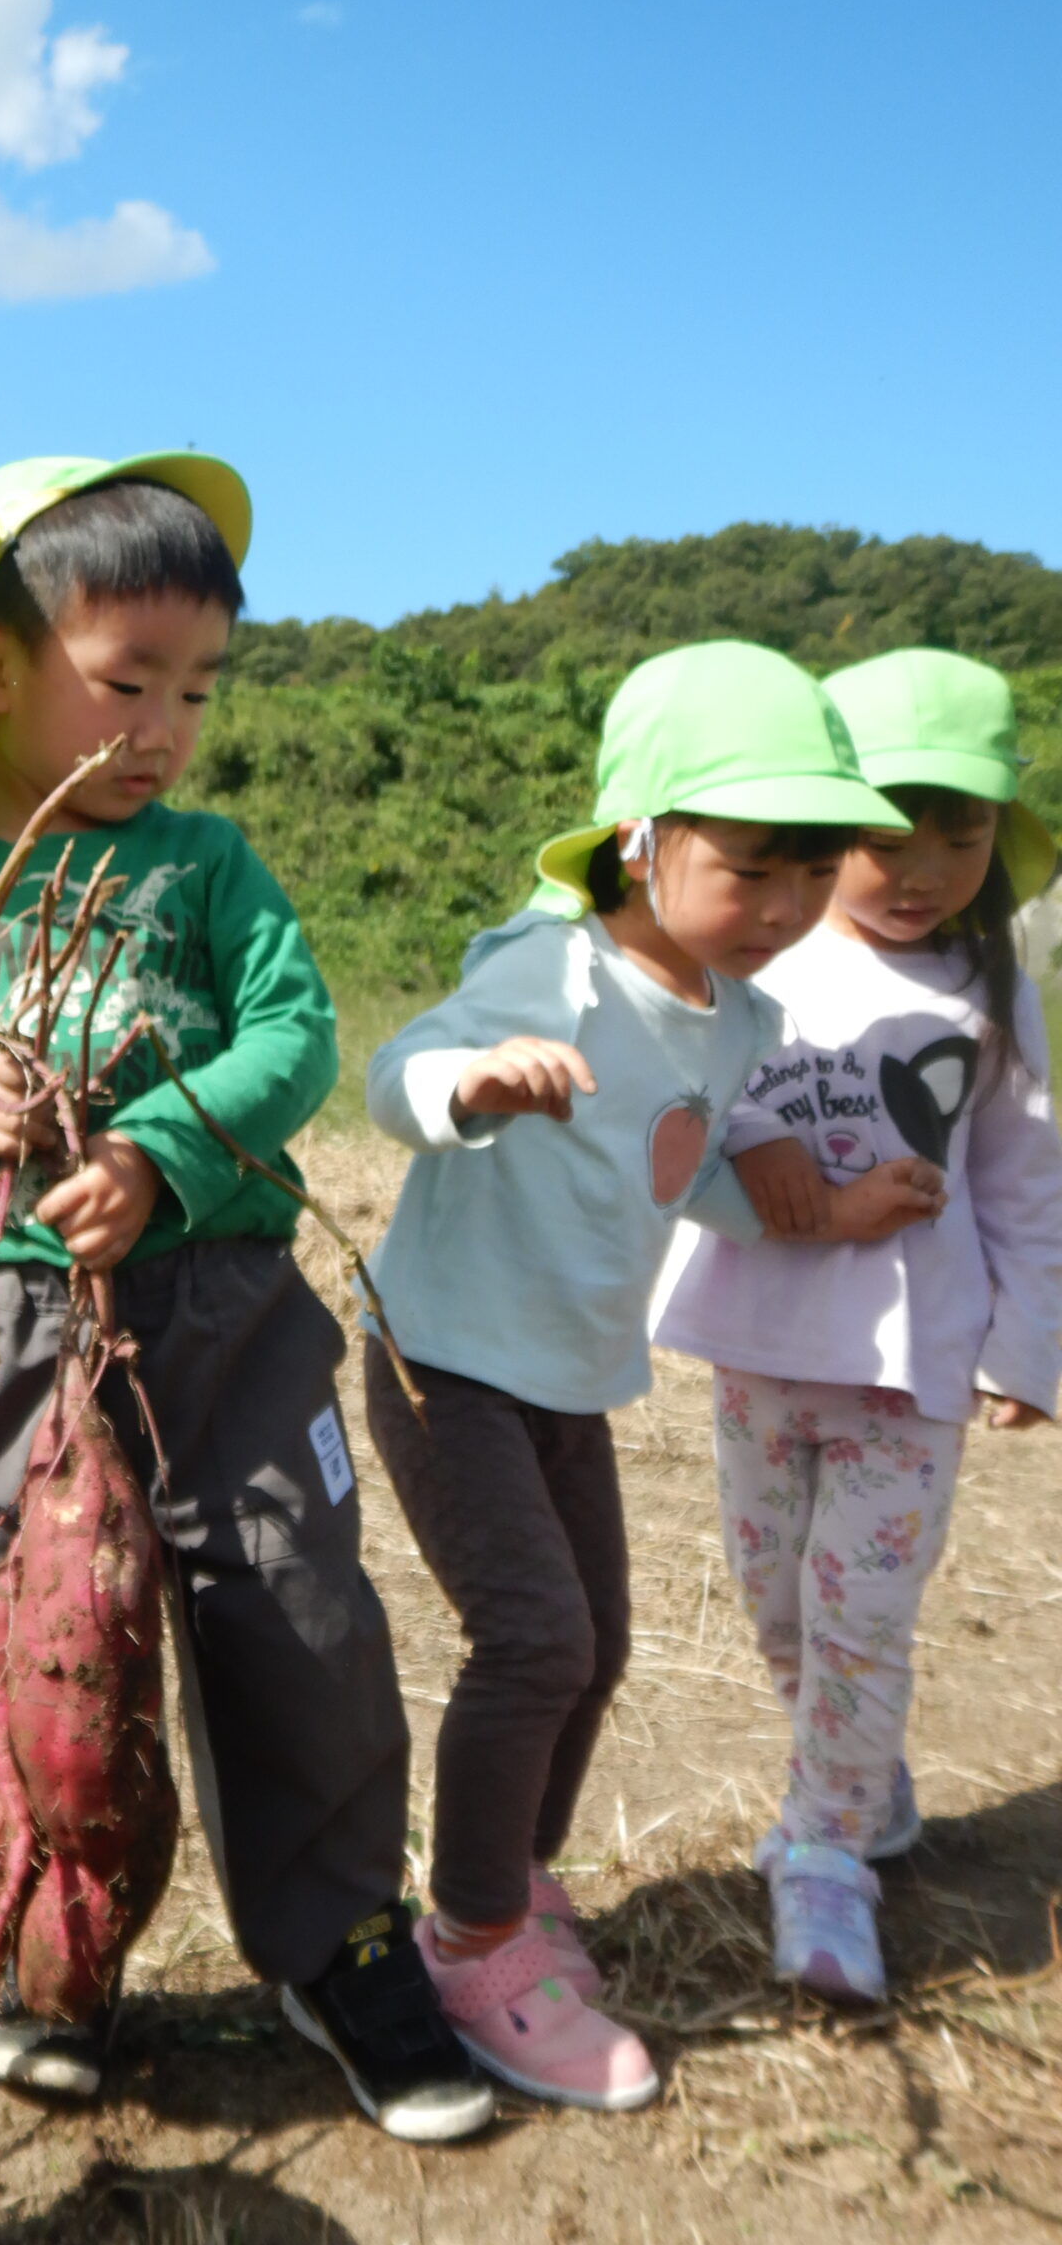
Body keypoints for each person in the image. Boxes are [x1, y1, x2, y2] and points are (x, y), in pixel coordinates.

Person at [0, 452, 494, 2142]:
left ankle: (337, 1946)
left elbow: (297, 1040)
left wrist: (168, 1151)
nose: (167, 725)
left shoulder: (208, 867)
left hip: (228, 1310)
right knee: (40, 1656)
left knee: (301, 1617)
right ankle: (58, 1960)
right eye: (128, 683)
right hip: (4, 1337)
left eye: (196, 689)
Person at [358, 640, 938, 2112]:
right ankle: (472, 1940)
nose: (790, 908)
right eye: (754, 871)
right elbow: (393, 1075)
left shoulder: (741, 1022)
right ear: (641, 840)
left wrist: (828, 1202)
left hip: (565, 1375)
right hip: (443, 1358)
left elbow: (686, 1177)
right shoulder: (547, 964)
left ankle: (518, 1876)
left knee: (600, 1644)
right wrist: (470, 1087)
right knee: (537, 1641)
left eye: (814, 874)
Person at [654, 648, 1062, 2003]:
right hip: (761, 1353)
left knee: (858, 1619)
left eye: (966, 832)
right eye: (891, 830)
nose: (926, 865)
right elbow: (680, 1094)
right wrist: (767, 1137)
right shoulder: (760, 952)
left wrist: (1027, 1345)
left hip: (909, 1367)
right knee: (778, 1609)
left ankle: (825, 1854)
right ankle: (865, 1790)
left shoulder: (994, 992)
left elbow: (1027, 1178)